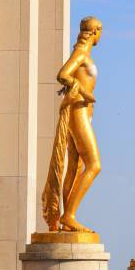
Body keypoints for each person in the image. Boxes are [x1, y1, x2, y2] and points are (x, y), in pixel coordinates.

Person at [41, 16, 103, 232]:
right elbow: (63, 75)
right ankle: (69, 215)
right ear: (96, 31)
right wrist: (85, 92)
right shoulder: (81, 54)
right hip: (78, 111)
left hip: (83, 112)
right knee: (94, 164)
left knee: (75, 167)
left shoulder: (84, 53)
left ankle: (66, 219)